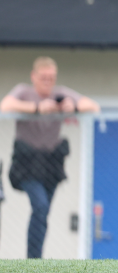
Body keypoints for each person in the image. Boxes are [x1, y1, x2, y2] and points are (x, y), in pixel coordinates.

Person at [1, 57, 100, 259]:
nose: (47, 81)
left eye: (51, 78)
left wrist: (73, 107)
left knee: (43, 212)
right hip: (27, 163)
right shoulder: (23, 91)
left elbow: (93, 106)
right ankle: (33, 260)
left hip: (51, 163)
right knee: (40, 205)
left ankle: (37, 259)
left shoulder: (60, 93)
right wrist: (37, 108)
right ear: (34, 77)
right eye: (43, 77)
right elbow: (6, 105)